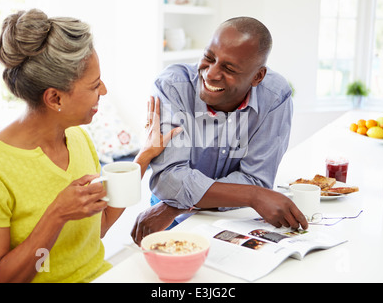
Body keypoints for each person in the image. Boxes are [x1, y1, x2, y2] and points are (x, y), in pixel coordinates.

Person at [0, 9, 180, 283]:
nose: (103, 91)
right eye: (94, 85)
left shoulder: (78, 138)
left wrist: (145, 155)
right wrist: (56, 216)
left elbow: (97, 229)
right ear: (55, 98)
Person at [131, 17, 308, 245]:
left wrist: (173, 206)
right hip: (173, 216)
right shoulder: (172, 86)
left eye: (229, 68)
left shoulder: (275, 96)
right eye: (209, 58)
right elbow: (169, 181)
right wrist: (254, 196)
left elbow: (256, 178)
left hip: (228, 216)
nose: (211, 74)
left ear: (258, 76)